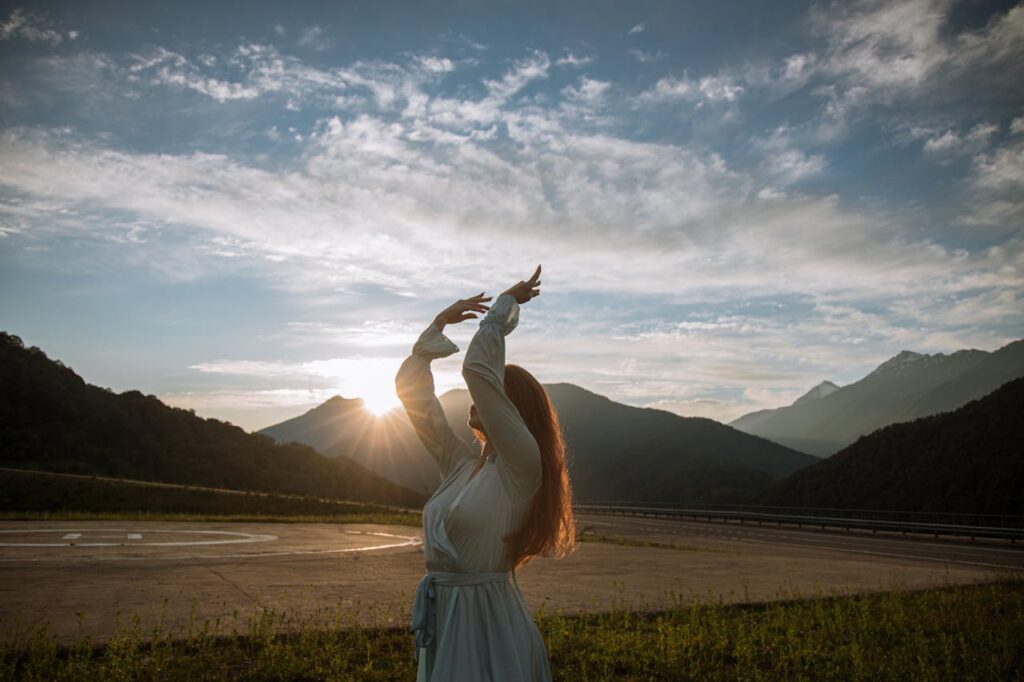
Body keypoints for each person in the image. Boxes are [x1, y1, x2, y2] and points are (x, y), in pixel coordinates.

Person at [395, 265, 576, 681]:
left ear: (509, 410)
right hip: (447, 620)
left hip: (487, 626)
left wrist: (503, 307)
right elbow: (416, 400)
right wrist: (435, 329)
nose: (477, 399)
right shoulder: (461, 465)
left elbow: (477, 371)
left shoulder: (520, 467)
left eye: (494, 393)